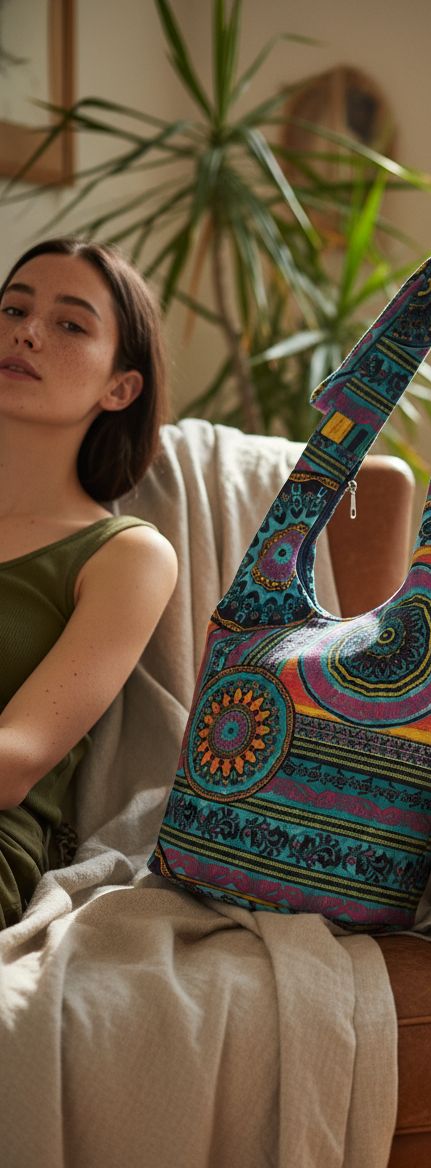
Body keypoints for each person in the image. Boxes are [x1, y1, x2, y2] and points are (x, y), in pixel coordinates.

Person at [0, 236, 178, 928]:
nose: (27, 332)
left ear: (120, 387)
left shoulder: (126, 555)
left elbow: (17, 759)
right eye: (14, 308)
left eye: (70, 324)